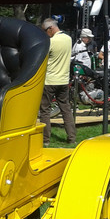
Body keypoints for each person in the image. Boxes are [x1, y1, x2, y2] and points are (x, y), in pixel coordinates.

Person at [39, 18, 75, 147]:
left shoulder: (50, 42)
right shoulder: (68, 39)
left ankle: (45, 140)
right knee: (66, 109)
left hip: (49, 81)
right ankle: (72, 138)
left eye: (44, 30)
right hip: (64, 80)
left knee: (45, 111)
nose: (44, 33)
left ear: (50, 28)